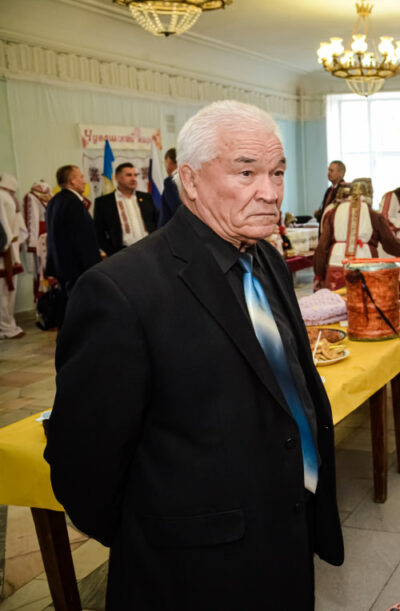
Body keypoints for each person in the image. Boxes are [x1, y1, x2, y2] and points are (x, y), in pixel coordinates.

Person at [44, 100, 344, 609]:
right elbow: (84, 466)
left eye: (277, 172)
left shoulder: (266, 258)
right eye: (245, 171)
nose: (270, 192)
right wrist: (161, 536)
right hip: (190, 572)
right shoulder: (121, 291)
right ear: (190, 179)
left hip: (286, 538)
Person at [313, 178, 400, 289]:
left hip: (336, 262)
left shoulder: (333, 213)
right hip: (367, 265)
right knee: (364, 301)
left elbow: (322, 246)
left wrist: (318, 274)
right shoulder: (374, 215)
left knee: (335, 302)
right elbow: (389, 241)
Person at [44, 165, 100, 296]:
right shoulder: (73, 203)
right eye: (81, 177)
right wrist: (94, 269)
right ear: (72, 181)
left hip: (61, 267)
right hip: (77, 270)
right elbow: (82, 240)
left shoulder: (54, 201)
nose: (84, 181)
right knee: (81, 310)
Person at [93, 162, 158, 256]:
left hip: (150, 250)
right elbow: (98, 233)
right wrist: (113, 254)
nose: (133, 179)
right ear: (117, 177)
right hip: (122, 254)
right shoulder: (103, 202)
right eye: (129, 175)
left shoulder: (147, 198)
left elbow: (157, 223)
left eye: (135, 175)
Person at [0, 173, 26, 339]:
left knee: (7, 292)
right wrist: (7, 244)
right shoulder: (2, 197)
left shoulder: (8, 197)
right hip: (5, 251)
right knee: (4, 292)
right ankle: (6, 327)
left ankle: (8, 325)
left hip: (10, 249)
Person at [159, 147, 182, 227]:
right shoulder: (190, 177)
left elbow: (176, 208)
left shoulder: (170, 181)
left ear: (168, 161)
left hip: (174, 229)